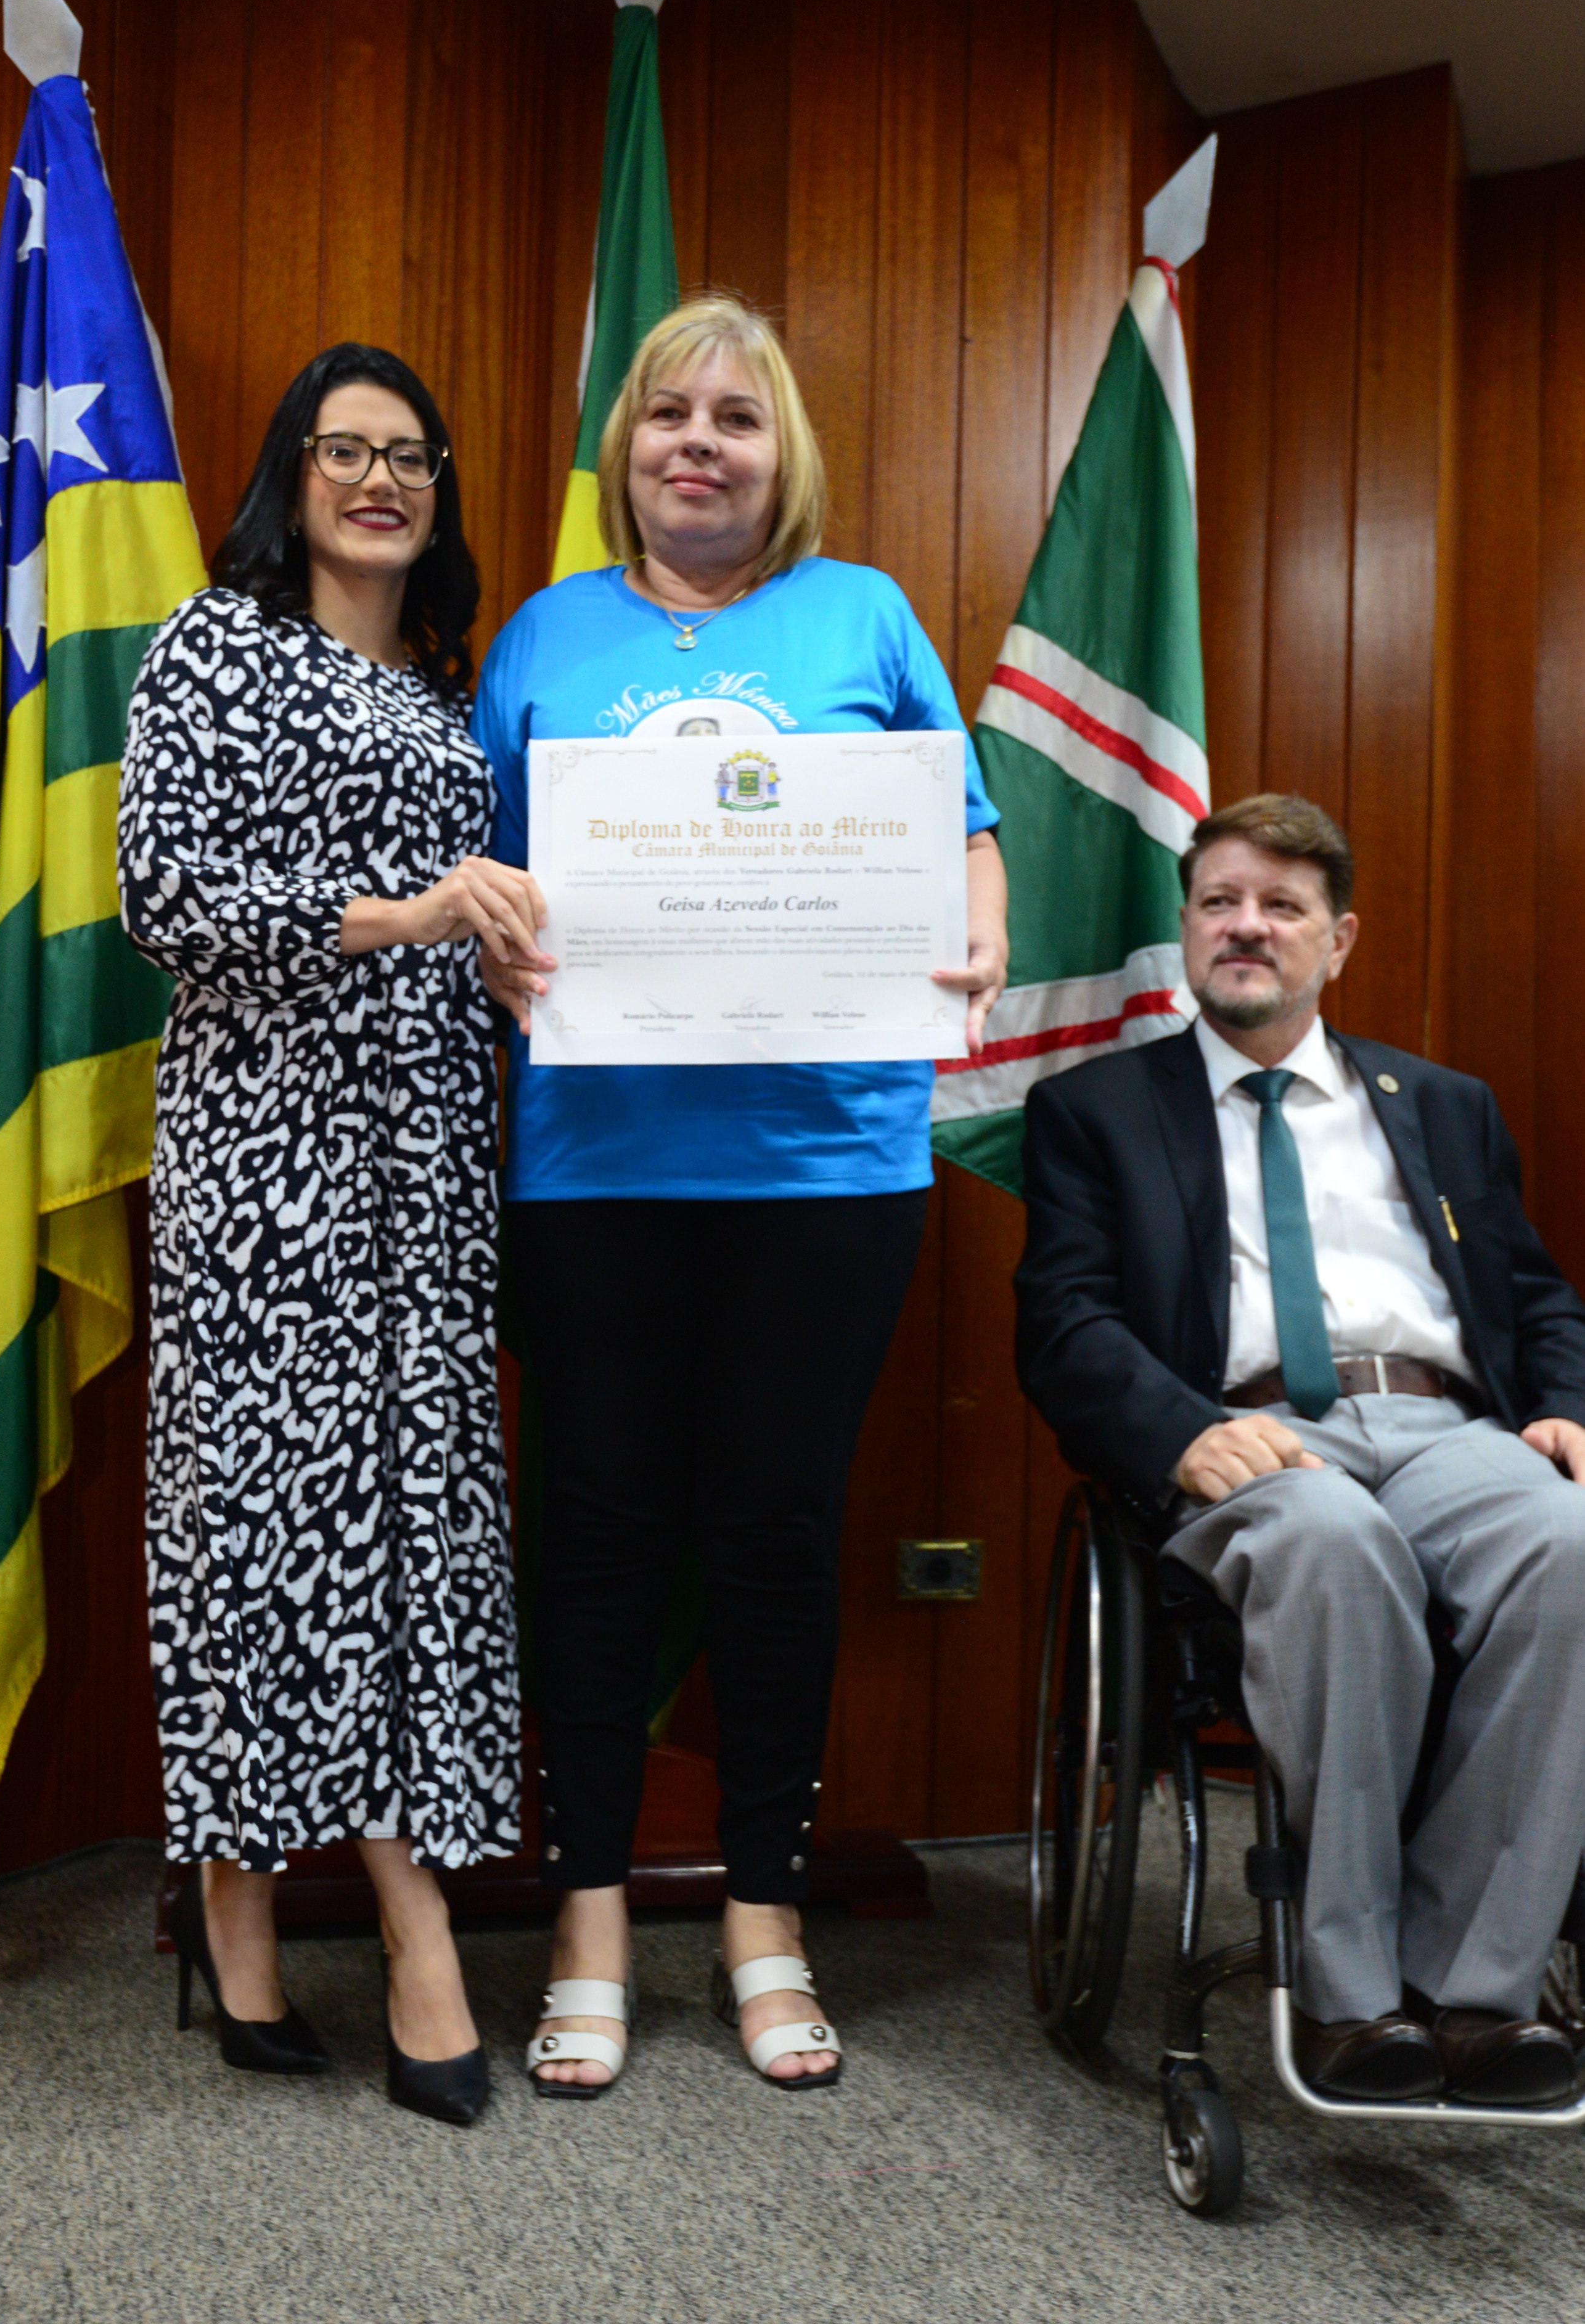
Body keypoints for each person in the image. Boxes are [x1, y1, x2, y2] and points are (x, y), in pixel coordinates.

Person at [472, 293, 1009, 2097]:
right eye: (667, 414)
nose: (698, 443)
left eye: (736, 418)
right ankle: (590, 1918)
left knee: (778, 1530)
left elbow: (964, 829)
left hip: (824, 1163)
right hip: (595, 1164)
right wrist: (499, 945)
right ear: (624, 448)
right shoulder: (543, 635)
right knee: (597, 1531)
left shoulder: (863, 615)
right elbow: (490, 874)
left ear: (784, 456)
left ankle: (765, 1914)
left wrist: (980, 929)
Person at [118, 343, 544, 2127]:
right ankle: (383, 1918)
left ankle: (268, 1906)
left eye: (410, 456)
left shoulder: (449, 693)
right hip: (267, 1159)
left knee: (414, 1525)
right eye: (344, 449)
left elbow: (468, 919)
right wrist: (409, 913)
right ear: (289, 474)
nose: (380, 480)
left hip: (427, 1159)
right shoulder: (211, 647)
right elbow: (165, 895)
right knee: (274, 1524)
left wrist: (496, 953)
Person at [1015, 792, 1585, 2108]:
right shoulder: (1096, 1111)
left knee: (1570, 1546)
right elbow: (1063, 1322)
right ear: (1185, 928)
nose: (1246, 927)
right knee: (1332, 1545)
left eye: (1281, 906)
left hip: (1447, 1425)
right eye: (1219, 901)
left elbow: (1533, 1291)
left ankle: (1474, 1993)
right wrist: (1183, 1431)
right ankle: (1349, 1996)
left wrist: (1566, 1400)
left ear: (1338, 939)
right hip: (1250, 1430)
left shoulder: (1440, 1103)